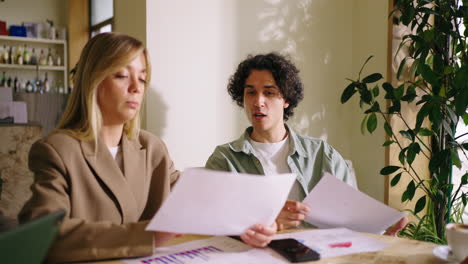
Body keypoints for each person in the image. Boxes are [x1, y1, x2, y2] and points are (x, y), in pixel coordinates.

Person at [18, 33, 274, 264]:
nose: (136, 87)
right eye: (121, 75)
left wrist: (248, 221)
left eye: (142, 78)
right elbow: (43, 236)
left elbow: (195, 201)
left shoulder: (152, 148)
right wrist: (147, 235)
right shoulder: (57, 150)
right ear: (93, 81)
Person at [205, 53, 408, 234]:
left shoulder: (322, 155)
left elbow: (353, 219)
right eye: (251, 92)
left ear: (286, 99)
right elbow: (212, 224)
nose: (258, 102)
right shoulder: (225, 159)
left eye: (269, 92)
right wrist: (267, 221)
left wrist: (380, 231)